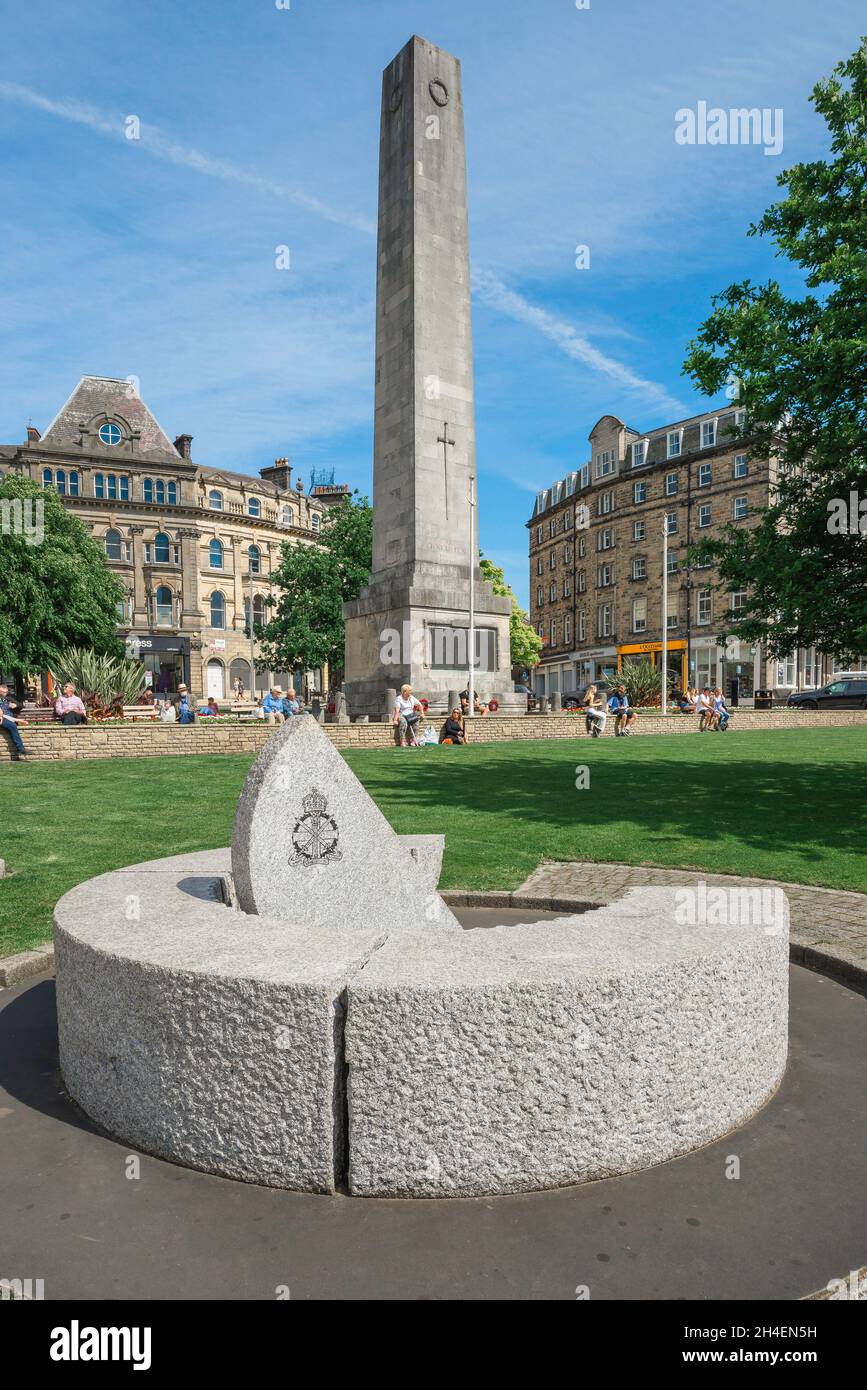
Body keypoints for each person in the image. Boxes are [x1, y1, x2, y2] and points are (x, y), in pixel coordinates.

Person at [0, 682, 28, 758]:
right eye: (3, 692)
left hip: (10, 718)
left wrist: (15, 705)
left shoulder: (8, 699)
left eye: (5, 692)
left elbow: (22, 705)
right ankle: (21, 749)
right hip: (2, 719)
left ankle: (21, 749)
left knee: (12, 725)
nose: (4, 694)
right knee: (12, 726)